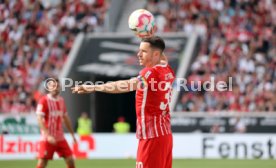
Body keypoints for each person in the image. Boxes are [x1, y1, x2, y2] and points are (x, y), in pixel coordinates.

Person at [72, 36, 175, 168]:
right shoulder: (167, 70)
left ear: (155, 54)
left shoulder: (151, 73)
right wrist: (151, 37)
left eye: (143, 51)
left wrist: (94, 87)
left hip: (152, 136)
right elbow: (161, 54)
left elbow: (126, 85)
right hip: (165, 135)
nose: (139, 54)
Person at [36, 78, 77, 168]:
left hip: (60, 137)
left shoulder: (61, 101)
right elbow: (39, 119)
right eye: (53, 86)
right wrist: (48, 135)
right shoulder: (43, 100)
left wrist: (72, 135)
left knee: (70, 160)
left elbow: (65, 118)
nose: (55, 88)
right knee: (43, 162)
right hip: (47, 138)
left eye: (57, 86)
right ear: (49, 88)